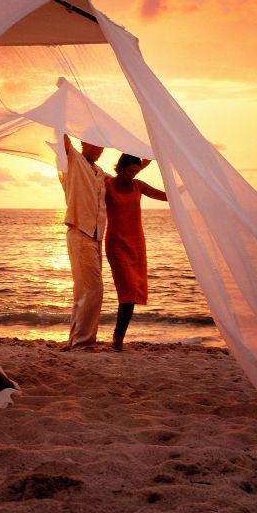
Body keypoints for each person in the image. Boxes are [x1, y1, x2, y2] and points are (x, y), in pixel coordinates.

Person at [105, 154, 167, 351]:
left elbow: (165, 196)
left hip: (136, 244)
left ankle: (118, 338)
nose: (133, 175)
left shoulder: (138, 185)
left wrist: (188, 186)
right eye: (131, 170)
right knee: (128, 290)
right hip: (116, 244)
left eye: (136, 171)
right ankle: (117, 338)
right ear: (121, 167)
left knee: (132, 292)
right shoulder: (107, 185)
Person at [58, 134, 107, 351]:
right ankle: (83, 344)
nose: (98, 148)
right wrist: (64, 108)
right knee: (93, 290)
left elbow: (120, 183)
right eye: (94, 142)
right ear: (83, 142)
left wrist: (139, 167)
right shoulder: (73, 160)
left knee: (84, 292)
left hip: (95, 236)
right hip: (80, 231)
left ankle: (75, 341)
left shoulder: (100, 173)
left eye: (102, 145)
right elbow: (61, 137)